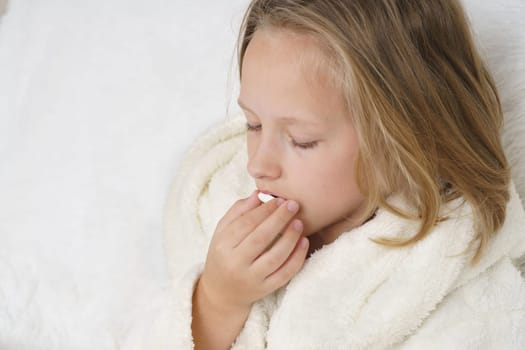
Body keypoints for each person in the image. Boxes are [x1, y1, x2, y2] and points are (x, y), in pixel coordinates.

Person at [122, 0, 525, 349]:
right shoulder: (216, 206)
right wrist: (215, 301)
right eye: (252, 125)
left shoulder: (454, 279)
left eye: (301, 140)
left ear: (404, 138)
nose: (258, 164)